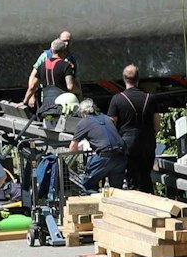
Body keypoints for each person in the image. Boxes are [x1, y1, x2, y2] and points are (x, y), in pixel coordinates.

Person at [107, 67, 171, 196]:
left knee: (132, 177)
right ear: (138, 79)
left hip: (128, 143)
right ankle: (150, 203)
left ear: (124, 79)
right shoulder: (150, 98)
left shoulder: (117, 99)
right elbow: (157, 125)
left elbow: (111, 125)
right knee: (146, 176)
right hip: (147, 142)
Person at [67, 98, 126, 192]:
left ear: (83, 112)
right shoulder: (107, 118)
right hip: (121, 155)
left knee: (88, 184)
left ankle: (95, 203)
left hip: (104, 155)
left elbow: (72, 149)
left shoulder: (84, 122)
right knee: (116, 190)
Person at [25, 36, 78, 111]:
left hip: (46, 103)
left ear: (52, 50)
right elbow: (70, 87)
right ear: (63, 51)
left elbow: (33, 85)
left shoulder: (42, 65)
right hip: (62, 103)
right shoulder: (66, 65)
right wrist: (78, 92)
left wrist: (25, 101)